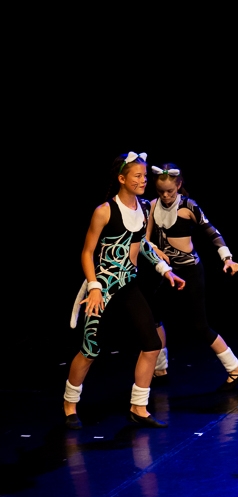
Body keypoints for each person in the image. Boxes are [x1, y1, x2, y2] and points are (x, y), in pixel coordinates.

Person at [65, 152, 186, 429]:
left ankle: (138, 407)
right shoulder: (105, 210)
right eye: (137, 176)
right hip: (103, 287)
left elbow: (140, 244)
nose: (144, 181)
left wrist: (165, 270)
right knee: (90, 350)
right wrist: (94, 287)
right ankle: (69, 405)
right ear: (122, 178)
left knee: (152, 344)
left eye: (144, 176)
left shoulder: (143, 207)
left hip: (128, 284)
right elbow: (87, 252)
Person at [143, 162, 238, 390]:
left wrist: (227, 258)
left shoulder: (189, 206)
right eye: (161, 191)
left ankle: (236, 369)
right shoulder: (152, 206)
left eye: (170, 191)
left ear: (179, 185)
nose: (166, 196)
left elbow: (213, 233)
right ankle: (160, 369)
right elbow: (145, 239)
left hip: (190, 271)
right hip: (167, 272)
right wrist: (155, 249)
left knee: (200, 325)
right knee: (154, 316)